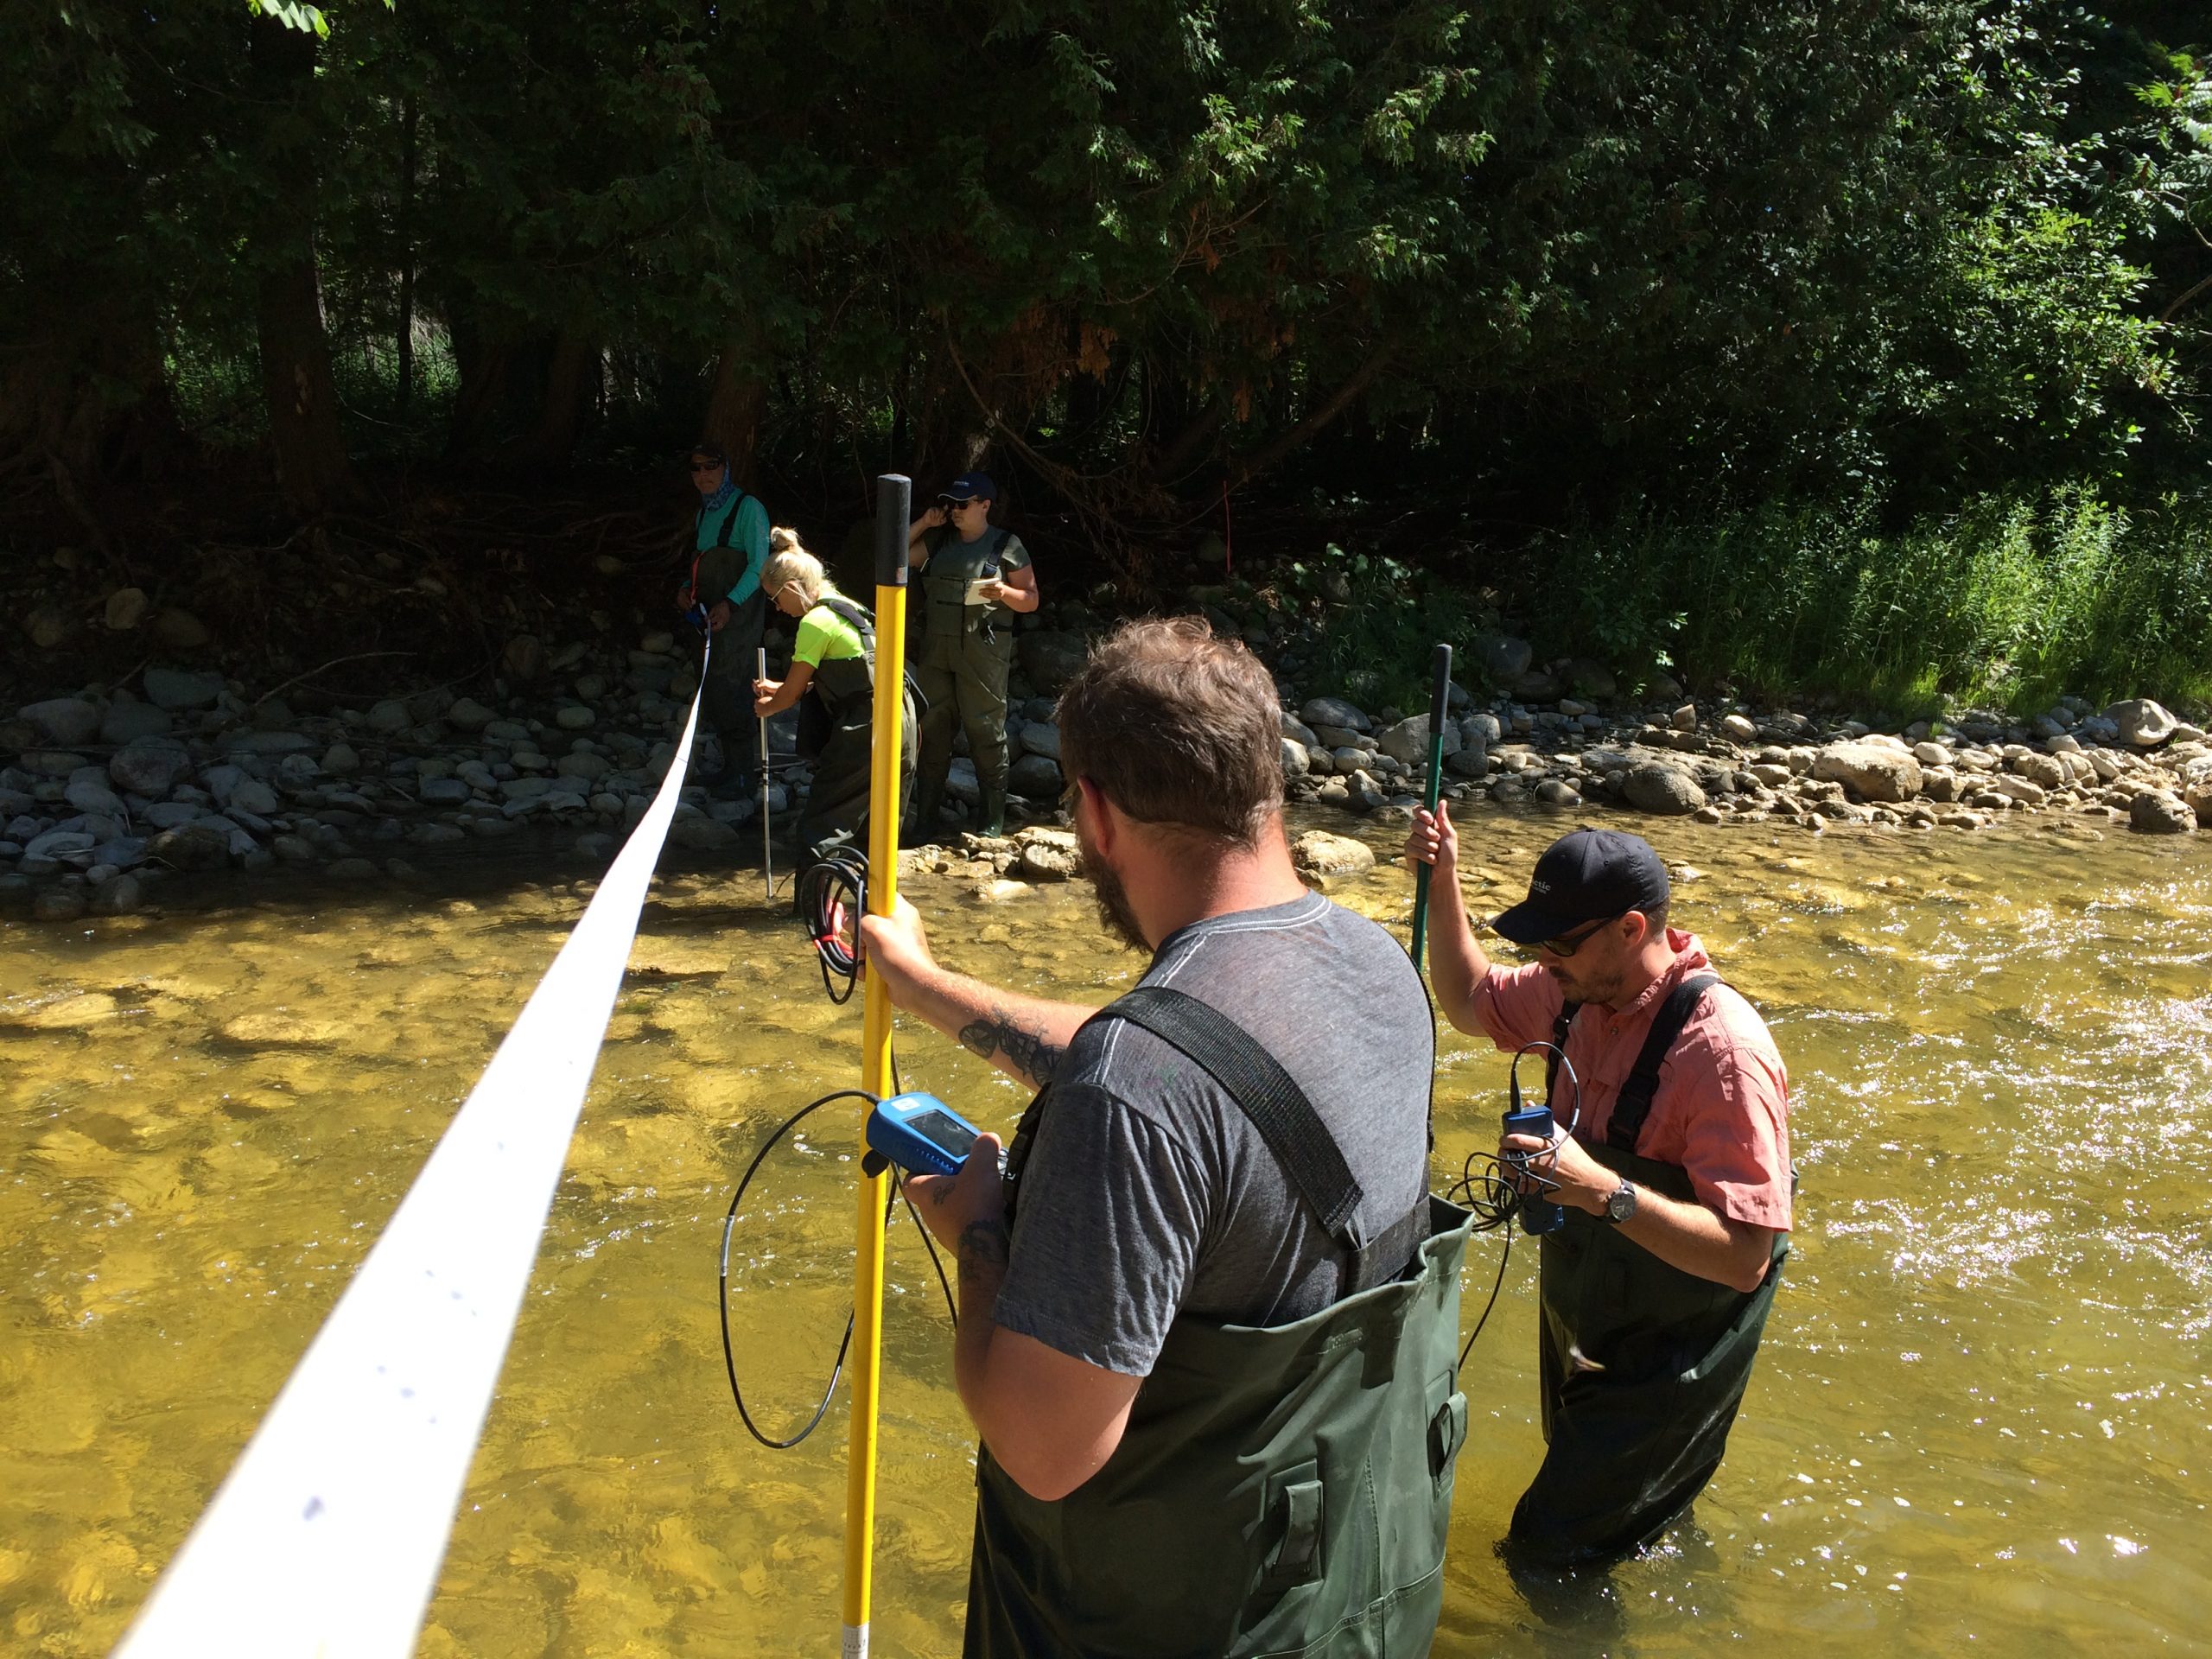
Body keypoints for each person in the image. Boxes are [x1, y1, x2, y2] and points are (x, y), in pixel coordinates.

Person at [860, 618, 1472, 1658]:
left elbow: (1042, 1449)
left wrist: (979, 1233)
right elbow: (1200, 1068)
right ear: (1265, 777)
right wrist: (929, 992)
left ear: (1094, 812)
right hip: (1360, 1595)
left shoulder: (1136, 1091)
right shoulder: (1374, 964)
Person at [1404, 809, 1793, 1570]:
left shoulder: (1721, 1055)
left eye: (1559, 942)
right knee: (1624, 1517)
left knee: (1545, 1552)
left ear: (1630, 928)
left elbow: (1748, 1256)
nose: (1543, 959)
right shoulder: (1576, 989)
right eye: (1538, 943)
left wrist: (1600, 1188)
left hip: (1675, 1347)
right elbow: (1467, 998)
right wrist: (1443, 876)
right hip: (1591, 1318)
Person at [749, 529, 916, 861]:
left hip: (866, 730)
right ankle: (869, 904)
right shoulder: (847, 606)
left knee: (821, 825)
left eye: (776, 598)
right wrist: (781, 688)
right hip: (903, 720)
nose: (778, 609)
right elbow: (851, 676)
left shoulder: (815, 622)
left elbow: (791, 696)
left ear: (793, 588)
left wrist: (767, 707)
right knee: (878, 826)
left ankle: (814, 910)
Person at [905, 471, 1038, 839]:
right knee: (933, 730)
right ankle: (926, 820)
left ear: (985, 505)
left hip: (983, 654)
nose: (955, 511)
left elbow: (1031, 599)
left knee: (985, 732)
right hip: (936, 653)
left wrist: (1004, 594)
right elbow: (894, 560)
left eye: (962, 504)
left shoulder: (1007, 545)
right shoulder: (939, 541)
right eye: (951, 504)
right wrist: (924, 522)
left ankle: (991, 822)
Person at [674, 443, 771, 795]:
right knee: (714, 690)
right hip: (709, 620)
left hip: (740, 619)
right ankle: (731, 769)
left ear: (726, 468)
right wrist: (686, 588)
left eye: (710, 467)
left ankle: (746, 775)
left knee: (737, 687)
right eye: (696, 469)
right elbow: (700, 562)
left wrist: (730, 603)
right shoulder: (703, 514)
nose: (703, 475)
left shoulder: (750, 510)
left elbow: (760, 567)